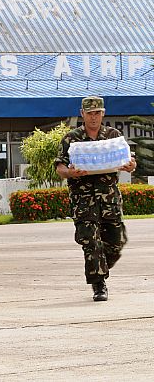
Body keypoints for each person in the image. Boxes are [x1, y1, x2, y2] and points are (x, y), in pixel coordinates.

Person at [55, 96, 136, 302]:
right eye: (89, 113)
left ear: (103, 113)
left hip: (109, 200)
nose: (93, 117)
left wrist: (130, 166)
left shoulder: (113, 136)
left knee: (117, 242)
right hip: (83, 201)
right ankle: (98, 284)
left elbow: (128, 160)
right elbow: (60, 167)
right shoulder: (71, 138)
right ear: (82, 114)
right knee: (91, 243)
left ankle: (100, 267)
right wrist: (71, 173)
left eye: (97, 113)